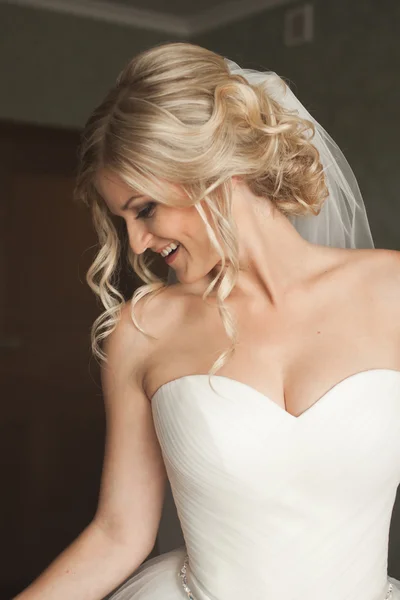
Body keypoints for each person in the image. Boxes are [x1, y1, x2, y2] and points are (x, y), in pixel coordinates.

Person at [15, 41, 400, 600]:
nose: (138, 244)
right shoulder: (142, 330)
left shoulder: (391, 292)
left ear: (214, 169)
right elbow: (118, 533)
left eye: (144, 209)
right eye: (123, 221)